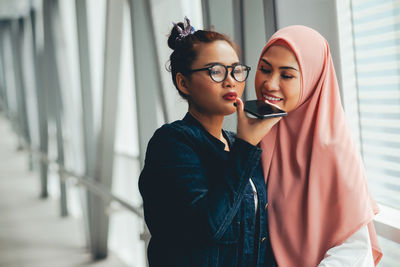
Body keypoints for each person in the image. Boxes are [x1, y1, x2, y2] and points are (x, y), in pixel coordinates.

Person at [138, 17, 280, 267]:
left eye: (236, 70)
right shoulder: (171, 143)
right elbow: (206, 229)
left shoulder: (240, 145)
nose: (230, 81)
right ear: (184, 82)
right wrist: (246, 147)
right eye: (215, 71)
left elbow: (259, 238)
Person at [254, 25, 383, 266]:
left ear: (312, 80)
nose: (270, 84)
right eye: (264, 69)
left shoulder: (333, 149)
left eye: (286, 75)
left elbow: (354, 251)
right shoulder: (258, 132)